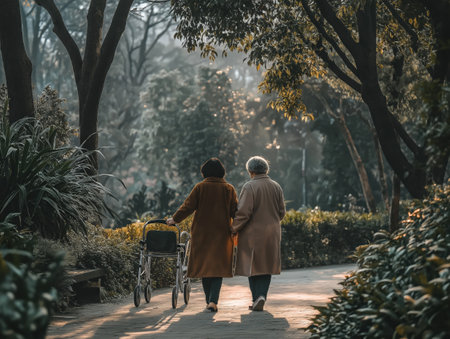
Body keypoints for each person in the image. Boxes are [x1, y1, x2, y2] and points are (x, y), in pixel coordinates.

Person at [167, 158, 237, 312]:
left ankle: (209, 301)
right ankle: (213, 301)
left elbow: (187, 206)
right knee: (217, 268)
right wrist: (237, 226)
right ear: (221, 172)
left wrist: (174, 219)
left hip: (202, 234)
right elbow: (235, 211)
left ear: (204, 172)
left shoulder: (200, 187)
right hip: (221, 234)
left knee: (205, 267)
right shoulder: (229, 189)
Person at [231, 156, 286, 312]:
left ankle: (257, 298)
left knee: (253, 265)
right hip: (272, 233)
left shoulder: (250, 187)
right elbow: (282, 211)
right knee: (266, 265)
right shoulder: (276, 186)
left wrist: (234, 228)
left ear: (251, 171)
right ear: (265, 169)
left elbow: (243, 213)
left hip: (253, 234)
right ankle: (261, 296)